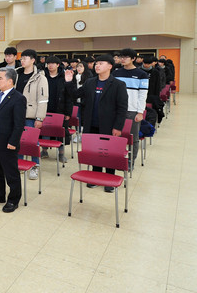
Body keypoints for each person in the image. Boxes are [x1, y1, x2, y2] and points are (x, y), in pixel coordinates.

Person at [65, 55, 128, 191]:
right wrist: (69, 82)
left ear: (110, 66)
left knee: (108, 153)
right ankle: (96, 176)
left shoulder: (118, 85)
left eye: (101, 63)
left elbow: (122, 108)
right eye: (96, 63)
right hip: (91, 123)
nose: (97, 66)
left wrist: (118, 126)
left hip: (109, 125)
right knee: (94, 152)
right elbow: (75, 95)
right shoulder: (90, 82)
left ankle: (109, 180)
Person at [0, 67, 27, 213]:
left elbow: (19, 124)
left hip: (8, 141)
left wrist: (13, 142)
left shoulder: (19, 98)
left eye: (0, 78)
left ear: (10, 81)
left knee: (11, 172)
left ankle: (13, 199)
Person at [16, 49, 48, 180]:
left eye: (25, 58)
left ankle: (35, 166)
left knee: (32, 142)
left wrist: (40, 117)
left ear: (33, 60)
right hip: (16, 113)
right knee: (17, 140)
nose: (22, 60)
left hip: (31, 115)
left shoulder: (40, 78)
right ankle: (19, 163)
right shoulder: (17, 74)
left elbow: (43, 99)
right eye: (21, 58)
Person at [113, 48, 149, 166]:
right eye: (121, 57)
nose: (122, 59)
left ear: (133, 58)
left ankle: (130, 161)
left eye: (125, 57)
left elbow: (143, 94)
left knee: (132, 137)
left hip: (132, 110)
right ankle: (117, 158)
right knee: (116, 136)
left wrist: (140, 112)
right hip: (116, 110)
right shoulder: (116, 73)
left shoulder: (142, 74)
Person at [43, 56, 73, 162]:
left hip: (60, 109)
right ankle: (44, 150)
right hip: (45, 108)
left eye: (53, 63)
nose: (50, 65)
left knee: (60, 132)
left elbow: (69, 96)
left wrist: (68, 112)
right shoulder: (43, 76)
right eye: (48, 63)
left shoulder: (63, 77)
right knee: (45, 130)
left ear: (57, 65)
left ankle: (61, 153)